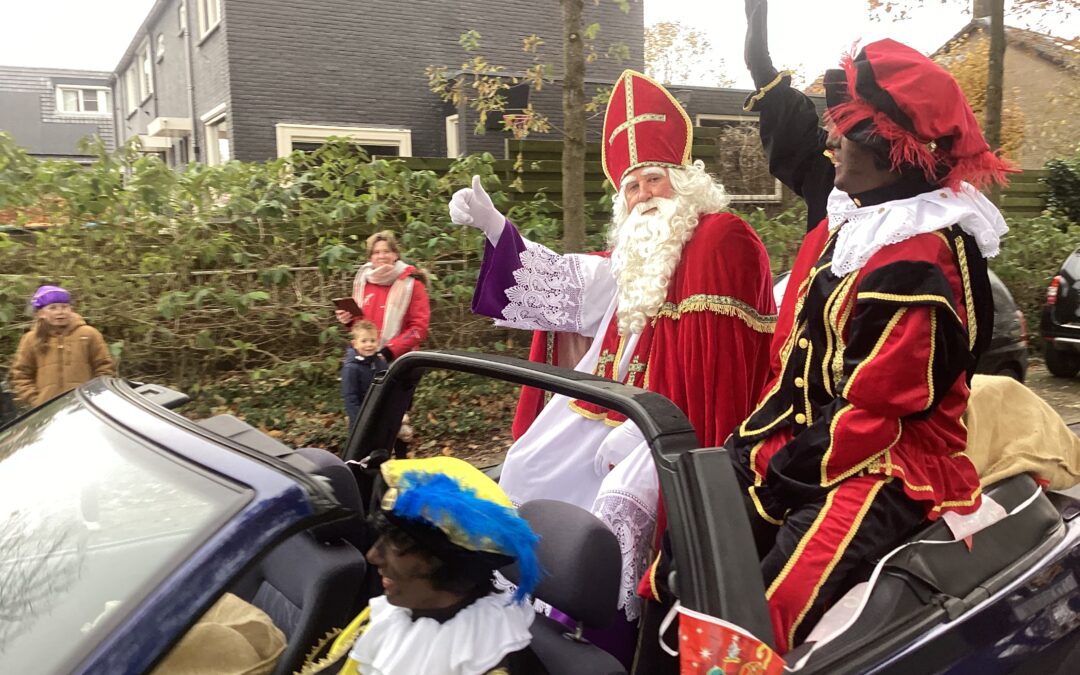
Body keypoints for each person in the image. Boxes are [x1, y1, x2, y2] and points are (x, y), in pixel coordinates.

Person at [721, 33, 1015, 654]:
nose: (831, 140)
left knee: (767, 605)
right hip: (821, 437)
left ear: (892, 150)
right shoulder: (855, 224)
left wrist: (781, 477)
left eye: (846, 129)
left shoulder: (920, 255)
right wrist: (749, 451)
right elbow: (801, 365)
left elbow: (875, 410)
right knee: (697, 540)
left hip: (890, 462)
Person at [449, 70, 777, 627]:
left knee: (615, 499)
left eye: (654, 180)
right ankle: (524, 597)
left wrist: (649, 425)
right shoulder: (629, 255)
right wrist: (495, 226)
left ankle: (604, 629)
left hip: (671, 422)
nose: (644, 195)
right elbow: (562, 281)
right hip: (607, 403)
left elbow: (717, 367)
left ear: (684, 182)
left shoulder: (720, 239)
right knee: (529, 462)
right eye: (633, 187)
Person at [297, 457, 545, 675]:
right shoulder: (390, 614)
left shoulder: (487, 658)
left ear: (445, 560)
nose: (372, 556)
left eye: (396, 545)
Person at [10, 285, 114, 408]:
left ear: (71, 309)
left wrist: (94, 397)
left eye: (64, 307)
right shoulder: (31, 339)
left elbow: (105, 368)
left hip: (84, 407)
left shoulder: (88, 334)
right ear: (41, 313)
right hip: (47, 411)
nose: (60, 312)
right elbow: (21, 375)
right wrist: (36, 401)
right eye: (53, 308)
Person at [335, 231, 430, 362]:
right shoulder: (363, 282)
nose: (381, 256)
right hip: (364, 356)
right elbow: (360, 325)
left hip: (400, 360)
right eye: (376, 252)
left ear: (395, 254)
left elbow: (418, 329)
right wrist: (349, 320)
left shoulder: (413, 285)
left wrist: (389, 352)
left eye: (386, 251)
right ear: (370, 257)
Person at [341, 320, 389, 430]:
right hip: (361, 421)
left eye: (372, 340)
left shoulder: (380, 362)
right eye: (364, 341)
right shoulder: (351, 368)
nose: (369, 345)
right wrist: (360, 422)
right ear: (355, 344)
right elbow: (350, 398)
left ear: (377, 342)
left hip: (380, 417)